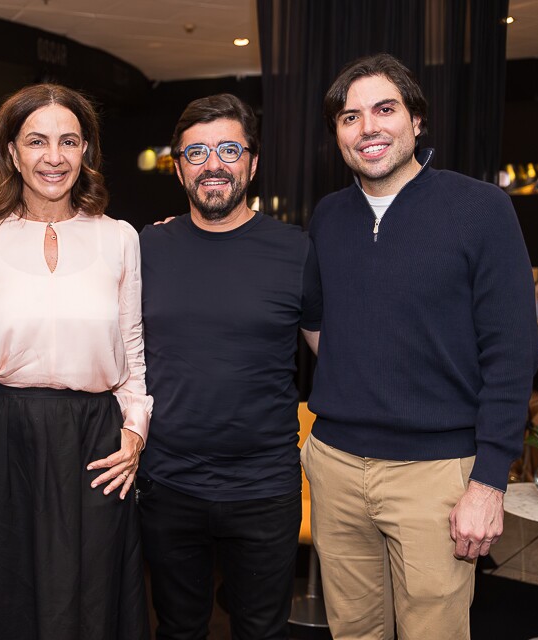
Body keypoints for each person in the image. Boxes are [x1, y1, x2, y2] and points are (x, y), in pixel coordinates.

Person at [302, 53, 538, 639]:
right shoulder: (328, 216)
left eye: (384, 110)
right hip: (333, 465)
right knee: (353, 632)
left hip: (436, 475)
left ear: (417, 121)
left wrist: (487, 481)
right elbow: (315, 322)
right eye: (350, 117)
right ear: (337, 134)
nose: (368, 128)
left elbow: (511, 354)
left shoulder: (482, 209)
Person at [0, 83, 151, 640]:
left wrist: (134, 431)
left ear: (86, 150)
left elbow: (132, 345)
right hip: (1, 437)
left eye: (69, 141)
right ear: (11, 152)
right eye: (36, 141)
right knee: (5, 590)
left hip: (95, 442)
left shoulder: (119, 238)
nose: (54, 157)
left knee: (90, 594)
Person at [138, 94, 322, 640]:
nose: (212, 163)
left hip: (264, 487)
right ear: (178, 168)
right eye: (195, 152)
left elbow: (333, 354)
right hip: (168, 483)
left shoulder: (297, 251)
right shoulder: (146, 245)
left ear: (253, 162)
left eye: (227, 149)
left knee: (261, 631)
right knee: (176, 628)